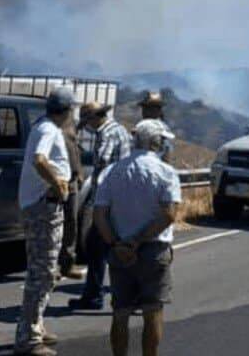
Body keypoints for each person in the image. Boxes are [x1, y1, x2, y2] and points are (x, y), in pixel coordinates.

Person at [94, 120, 182, 356]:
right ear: (156, 143)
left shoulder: (111, 172)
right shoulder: (166, 172)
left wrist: (117, 244)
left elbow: (100, 215)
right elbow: (169, 214)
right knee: (152, 311)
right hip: (153, 251)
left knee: (120, 312)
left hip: (119, 250)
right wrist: (138, 241)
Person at [14, 87, 75, 356]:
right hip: (44, 208)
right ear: (67, 111)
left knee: (43, 271)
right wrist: (57, 183)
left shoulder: (42, 126)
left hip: (40, 207)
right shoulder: (49, 130)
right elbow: (40, 160)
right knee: (42, 273)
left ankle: (35, 326)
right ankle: (28, 339)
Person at [70, 101, 132, 311]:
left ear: (94, 117)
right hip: (121, 196)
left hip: (107, 198)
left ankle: (94, 296)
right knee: (112, 246)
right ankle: (127, 293)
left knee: (96, 247)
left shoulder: (106, 134)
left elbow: (103, 160)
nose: (86, 124)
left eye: (87, 119)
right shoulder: (120, 129)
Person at [59, 120, 87, 280]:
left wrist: (79, 173)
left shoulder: (71, 128)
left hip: (71, 181)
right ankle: (56, 264)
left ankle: (66, 264)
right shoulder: (55, 129)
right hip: (58, 180)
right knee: (59, 224)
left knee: (71, 223)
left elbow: (76, 155)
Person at [139, 89, 176, 161]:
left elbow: (167, 153)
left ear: (158, 110)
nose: (145, 111)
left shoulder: (163, 130)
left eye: (150, 108)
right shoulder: (141, 127)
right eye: (145, 107)